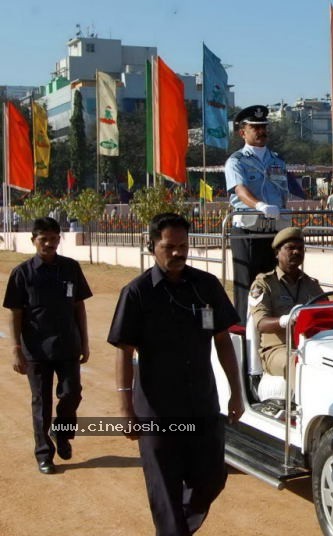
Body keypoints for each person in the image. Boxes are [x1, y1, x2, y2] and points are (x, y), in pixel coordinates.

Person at [107, 213, 243, 534]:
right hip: (157, 411)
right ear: (152, 246)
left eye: (183, 246)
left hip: (202, 405)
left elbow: (223, 341)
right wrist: (126, 408)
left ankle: (176, 525)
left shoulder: (206, 286)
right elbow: (123, 352)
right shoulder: (137, 293)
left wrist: (236, 391)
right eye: (169, 247)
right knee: (166, 494)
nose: (178, 253)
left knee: (212, 478)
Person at [3, 217, 91, 474]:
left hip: (67, 345)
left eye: (54, 238)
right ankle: (44, 454)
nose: (50, 244)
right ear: (34, 241)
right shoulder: (22, 273)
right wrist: (16, 349)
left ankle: (61, 433)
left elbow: (79, 306)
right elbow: (15, 312)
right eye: (44, 239)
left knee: (72, 393)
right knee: (41, 402)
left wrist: (84, 341)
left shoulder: (71, 268)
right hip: (35, 349)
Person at [224, 104, 289, 323]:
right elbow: (240, 189)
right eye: (255, 128)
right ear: (243, 132)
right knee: (248, 285)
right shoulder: (236, 161)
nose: (262, 131)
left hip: (273, 231)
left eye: (264, 127)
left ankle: (271, 330)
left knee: (274, 282)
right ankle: (245, 332)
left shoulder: (277, 160)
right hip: (247, 230)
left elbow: (283, 194)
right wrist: (259, 205)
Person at [249, 227, 323, 384]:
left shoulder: (312, 285)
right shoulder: (264, 284)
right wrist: (287, 320)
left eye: (300, 248)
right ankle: (298, 407)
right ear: (277, 253)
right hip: (277, 350)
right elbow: (261, 323)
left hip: (309, 345)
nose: (296, 252)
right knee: (297, 361)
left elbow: (326, 314)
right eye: (290, 248)